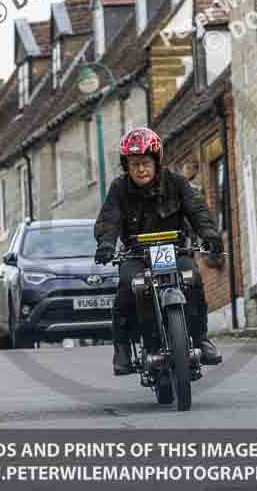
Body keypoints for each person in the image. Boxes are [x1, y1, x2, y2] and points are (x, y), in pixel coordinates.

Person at [94, 127, 222, 376]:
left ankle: (200, 338)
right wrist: (106, 245)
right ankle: (121, 347)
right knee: (127, 285)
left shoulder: (177, 183)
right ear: (126, 166)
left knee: (192, 279)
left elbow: (198, 212)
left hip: (174, 251)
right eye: (134, 164)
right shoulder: (119, 188)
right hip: (137, 255)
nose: (140, 169)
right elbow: (109, 220)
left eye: (145, 163)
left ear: (156, 161)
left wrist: (210, 235)